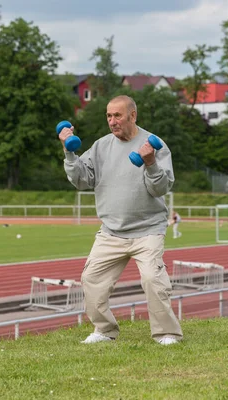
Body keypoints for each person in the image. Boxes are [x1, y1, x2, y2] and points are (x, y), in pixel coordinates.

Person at [58, 95, 183, 346]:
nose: (112, 121)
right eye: (108, 116)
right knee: (91, 279)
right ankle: (104, 330)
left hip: (147, 230)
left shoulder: (154, 145)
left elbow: (161, 188)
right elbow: (83, 180)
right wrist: (69, 153)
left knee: (152, 279)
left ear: (133, 115)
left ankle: (167, 333)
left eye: (117, 116)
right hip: (111, 231)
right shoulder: (101, 146)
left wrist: (150, 164)